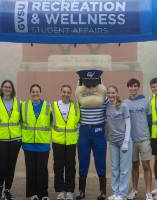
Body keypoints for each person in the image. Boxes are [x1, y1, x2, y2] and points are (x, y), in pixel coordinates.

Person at [75, 70, 108, 200]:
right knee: (83, 161)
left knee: (100, 161)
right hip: (84, 131)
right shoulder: (79, 98)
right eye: (87, 83)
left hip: (98, 131)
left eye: (92, 83)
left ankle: (102, 191)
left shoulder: (104, 99)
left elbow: (109, 113)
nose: (90, 86)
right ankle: (81, 191)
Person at [0, 80, 21, 200]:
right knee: (2, 167)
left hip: (15, 140)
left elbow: (23, 120)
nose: (7, 89)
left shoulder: (19, 103)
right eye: (5, 86)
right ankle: (0, 186)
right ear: (2, 88)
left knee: (11, 166)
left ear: (12, 89)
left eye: (9, 87)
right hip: (0, 140)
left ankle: (7, 190)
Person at [21, 84, 51, 200]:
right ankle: (32, 193)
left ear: (40, 93)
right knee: (31, 170)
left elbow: (52, 122)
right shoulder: (24, 106)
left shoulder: (48, 106)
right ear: (30, 93)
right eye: (33, 92)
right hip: (28, 144)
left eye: (37, 91)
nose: (35, 94)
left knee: (42, 170)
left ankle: (43, 194)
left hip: (43, 144)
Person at [124, 79, 153, 200]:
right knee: (134, 166)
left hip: (144, 139)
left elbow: (150, 120)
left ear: (138, 87)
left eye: (135, 86)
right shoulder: (125, 103)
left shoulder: (146, 101)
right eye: (131, 86)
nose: (133, 88)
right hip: (131, 140)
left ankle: (148, 192)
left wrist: (151, 137)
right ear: (128, 88)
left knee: (146, 165)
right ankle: (134, 190)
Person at [51, 85, 80, 200]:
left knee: (70, 167)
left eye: (68, 92)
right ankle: (59, 191)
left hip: (71, 142)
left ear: (71, 94)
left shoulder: (75, 106)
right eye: (64, 92)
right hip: (58, 141)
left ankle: (69, 190)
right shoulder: (53, 106)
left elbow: (78, 122)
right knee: (58, 167)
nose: (66, 94)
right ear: (60, 92)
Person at [105, 85, 132, 200]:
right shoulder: (106, 106)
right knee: (115, 168)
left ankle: (122, 194)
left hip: (124, 142)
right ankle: (115, 192)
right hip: (113, 143)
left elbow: (128, 124)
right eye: (109, 93)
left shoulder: (123, 106)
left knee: (124, 169)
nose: (111, 95)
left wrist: (126, 142)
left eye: (113, 93)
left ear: (117, 93)